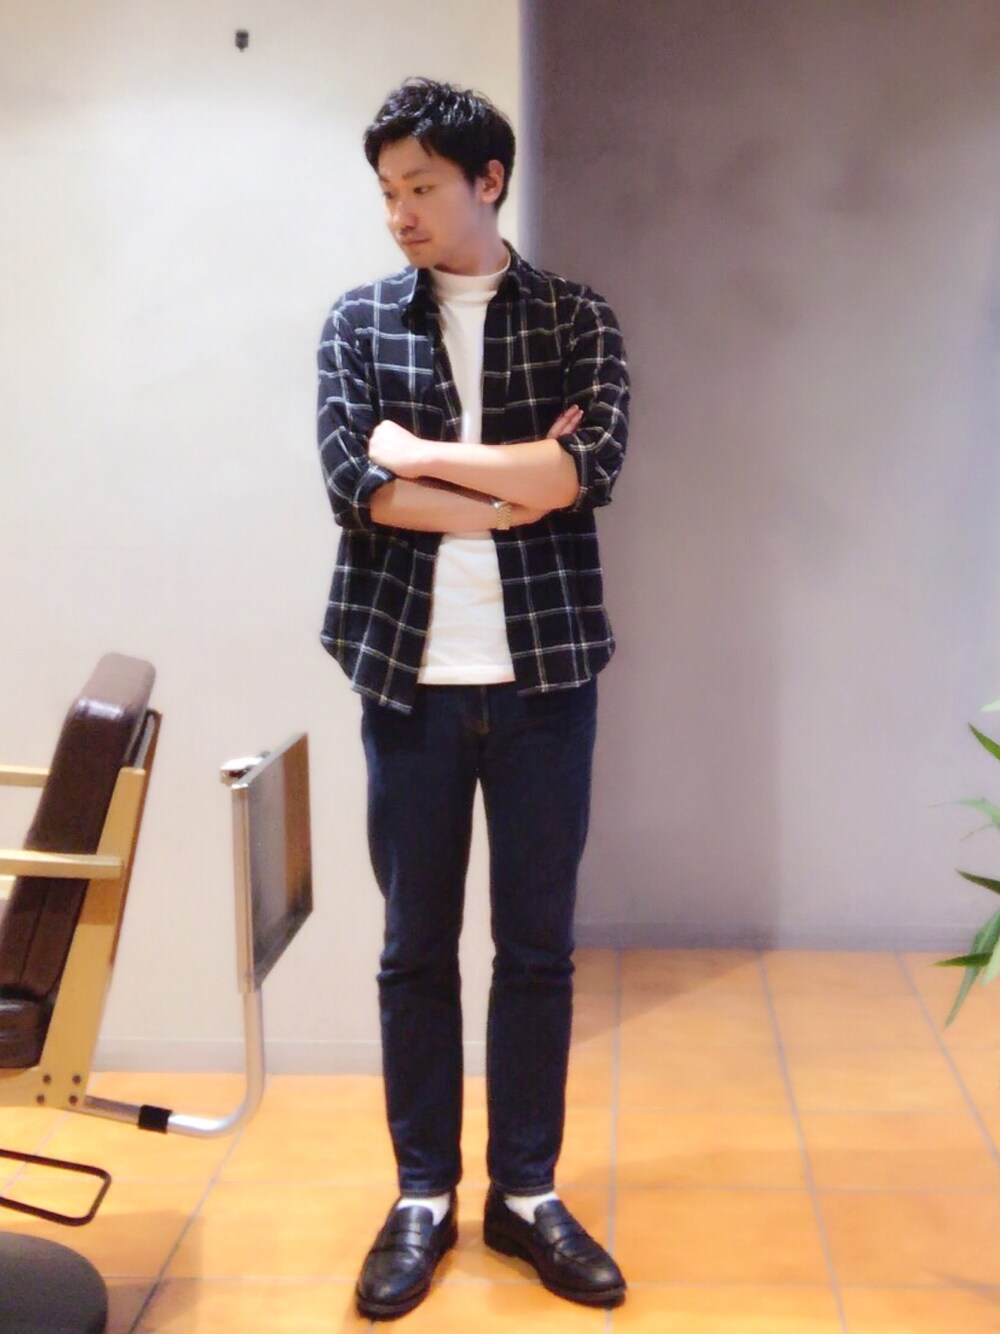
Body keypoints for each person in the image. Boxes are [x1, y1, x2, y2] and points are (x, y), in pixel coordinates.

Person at [316, 77, 629, 1321]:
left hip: (546, 678)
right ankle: (421, 1195)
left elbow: (586, 467)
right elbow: (356, 488)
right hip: (409, 680)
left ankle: (527, 1191)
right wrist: (512, 487)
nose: (399, 211)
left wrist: (425, 456)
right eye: (387, 190)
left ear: (487, 180)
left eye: (422, 186)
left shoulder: (574, 316)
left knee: (537, 950)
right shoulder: (356, 323)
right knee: (413, 951)